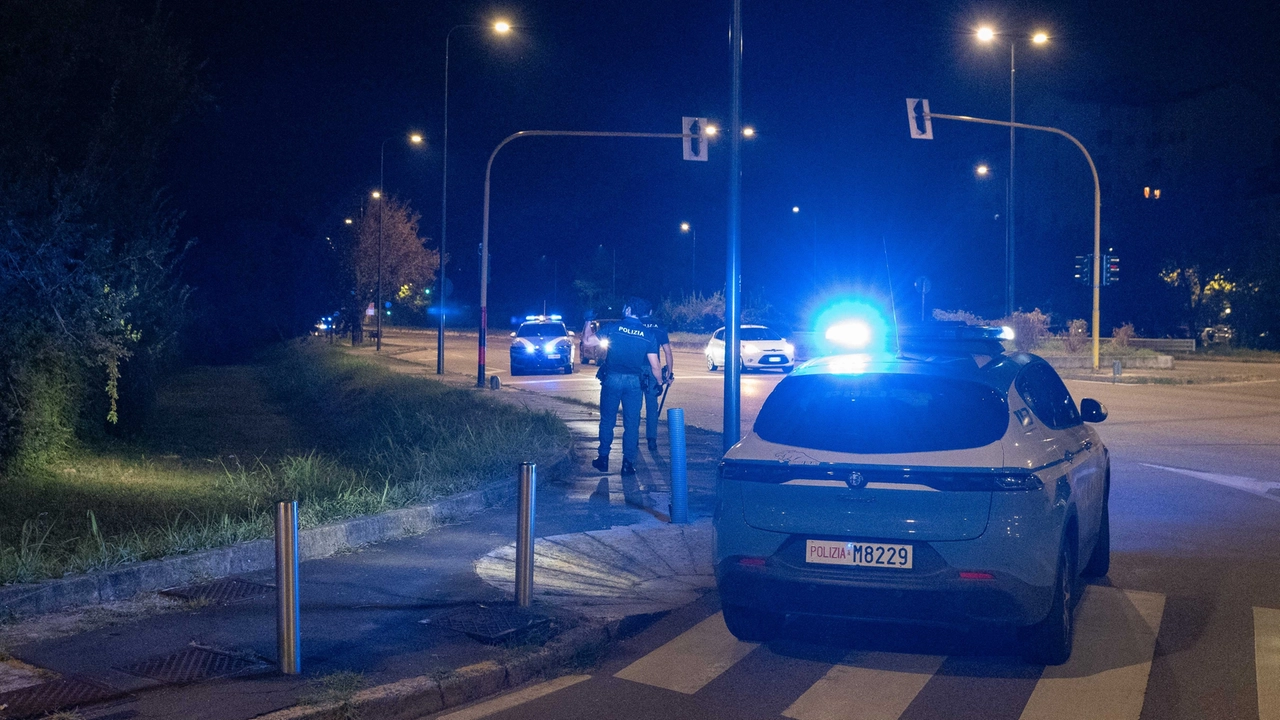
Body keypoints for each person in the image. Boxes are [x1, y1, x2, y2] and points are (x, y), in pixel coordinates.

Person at [593, 298, 663, 476]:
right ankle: (627, 464)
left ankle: (603, 458)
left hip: (612, 379)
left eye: (625, 307)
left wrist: (587, 322)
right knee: (632, 424)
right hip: (634, 383)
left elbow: (587, 341)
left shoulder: (613, 327)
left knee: (607, 420)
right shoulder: (648, 335)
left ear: (629, 309)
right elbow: (655, 366)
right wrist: (660, 383)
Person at [639, 307, 674, 451]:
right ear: (651, 311)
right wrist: (669, 374)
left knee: (634, 406)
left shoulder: (635, 325)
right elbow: (668, 352)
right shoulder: (659, 328)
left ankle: (632, 438)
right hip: (654, 369)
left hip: (636, 368)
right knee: (652, 406)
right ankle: (651, 440)